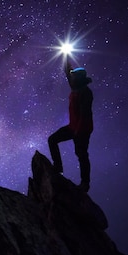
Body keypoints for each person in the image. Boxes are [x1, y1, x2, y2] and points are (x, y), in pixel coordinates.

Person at [48, 55, 94, 192]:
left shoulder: (86, 93)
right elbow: (67, 71)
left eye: (74, 77)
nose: (71, 78)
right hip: (73, 127)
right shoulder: (75, 86)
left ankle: (85, 183)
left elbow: (85, 114)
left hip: (83, 129)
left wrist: (77, 132)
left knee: (81, 154)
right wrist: (65, 56)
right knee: (52, 140)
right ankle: (58, 168)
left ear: (79, 79)